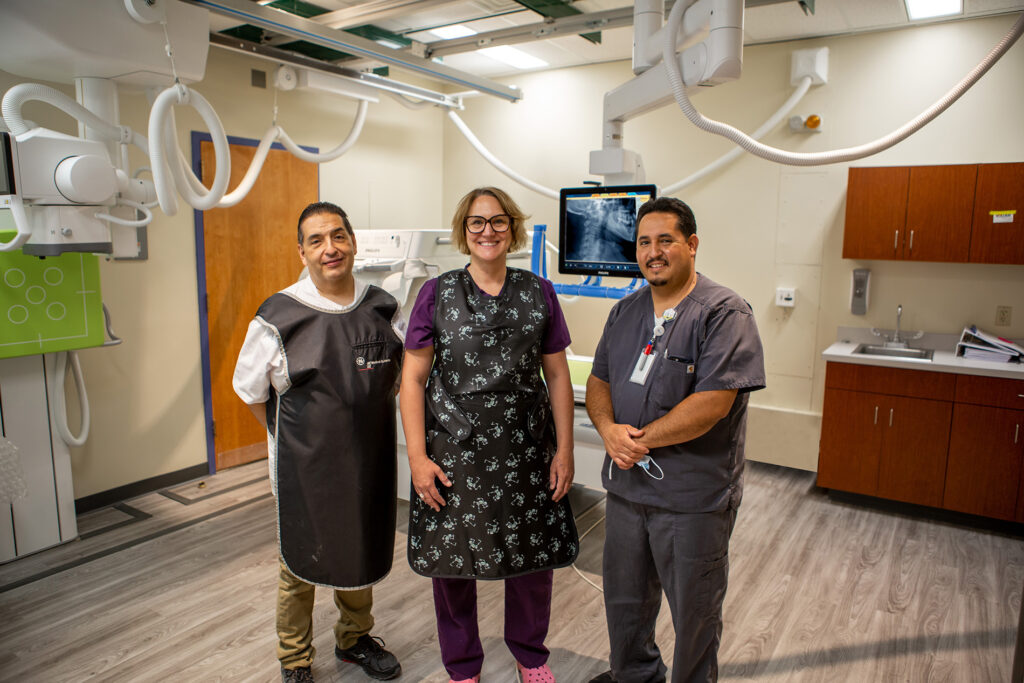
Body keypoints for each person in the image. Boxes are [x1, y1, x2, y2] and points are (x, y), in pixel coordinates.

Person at [400, 187, 579, 683]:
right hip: (454, 452)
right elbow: (412, 379)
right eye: (477, 223)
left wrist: (564, 450)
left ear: (512, 229)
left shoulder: (539, 292)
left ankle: (531, 658)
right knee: (453, 563)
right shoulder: (435, 295)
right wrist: (417, 457)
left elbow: (558, 376)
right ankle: (462, 668)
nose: (488, 232)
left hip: (524, 447)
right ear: (463, 231)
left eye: (498, 222)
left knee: (530, 560)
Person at [585, 197, 765, 683]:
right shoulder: (626, 312)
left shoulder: (724, 313)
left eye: (665, 240)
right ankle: (635, 675)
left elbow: (713, 403)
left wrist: (638, 440)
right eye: (645, 242)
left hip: (691, 497)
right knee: (624, 601)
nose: (654, 251)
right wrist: (607, 430)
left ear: (691, 245)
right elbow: (599, 381)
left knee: (695, 615)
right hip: (626, 491)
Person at [233, 201, 405, 683]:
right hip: (304, 465)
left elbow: (399, 376)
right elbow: (250, 392)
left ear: (352, 241)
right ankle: (295, 658)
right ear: (302, 252)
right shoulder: (279, 316)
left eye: (338, 236)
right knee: (301, 560)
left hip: (368, 458)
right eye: (316, 240)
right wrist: (290, 438)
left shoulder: (382, 306)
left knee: (359, 544)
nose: (330, 248)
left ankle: (354, 640)